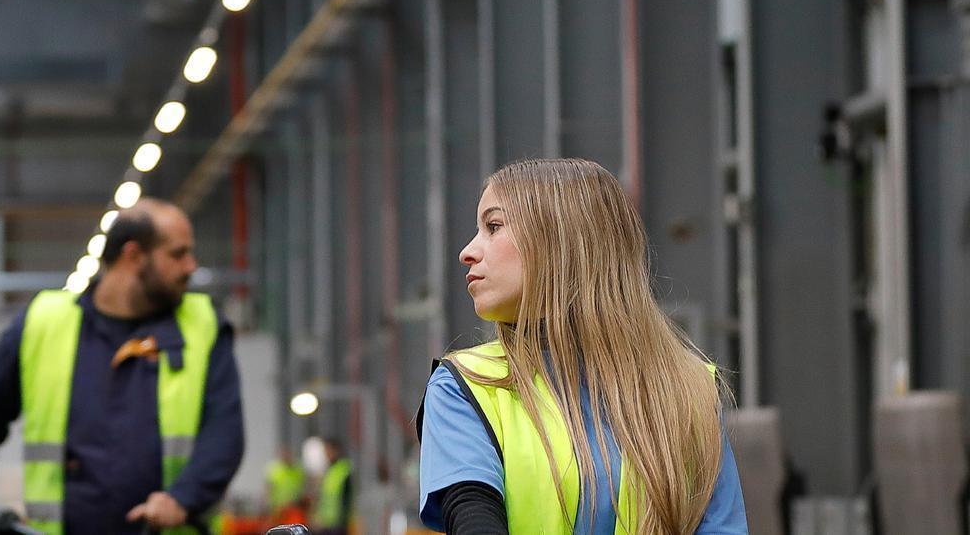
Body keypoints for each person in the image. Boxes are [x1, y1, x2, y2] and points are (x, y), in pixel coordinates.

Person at [417, 159, 747, 534]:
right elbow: (473, 519)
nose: (467, 251)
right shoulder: (466, 386)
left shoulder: (689, 392)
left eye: (493, 226)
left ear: (559, 240)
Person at [0, 198, 244, 535]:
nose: (190, 266)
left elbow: (224, 433)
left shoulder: (203, 326)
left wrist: (183, 499)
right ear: (133, 256)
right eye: (177, 254)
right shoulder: (43, 323)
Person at [310, 438, 353, 535]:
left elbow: (347, 498)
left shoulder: (344, 469)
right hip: (325, 523)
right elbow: (322, 497)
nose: (326, 454)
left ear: (335, 450)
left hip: (338, 524)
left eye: (328, 450)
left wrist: (343, 521)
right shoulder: (328, 470)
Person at [265, 448, 307, 521]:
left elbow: (303, 487)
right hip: (278, 508)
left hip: (294, 507)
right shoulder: (275, 470)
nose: (287, 457)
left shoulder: (298, 470)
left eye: (288, 455)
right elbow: (268, 488)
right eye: (284, 455)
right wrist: (270, 505)